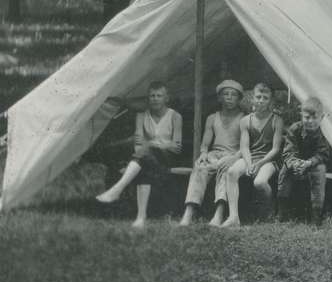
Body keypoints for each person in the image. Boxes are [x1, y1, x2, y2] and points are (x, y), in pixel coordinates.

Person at [96, 81, 183, 227]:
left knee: (146, 153)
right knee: (144, 165)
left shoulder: (175, 116)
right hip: (146, 158)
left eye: (159, 96)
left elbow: (176, 147)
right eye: (152, 96)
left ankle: (118, 189)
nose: (155, 99)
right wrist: (148, 147)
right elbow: (138, 144)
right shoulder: (141, 116)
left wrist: (153, 144)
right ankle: (140, 218)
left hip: (167, 158)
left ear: (166, 98)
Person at [180, 80, 245, 227]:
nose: (229, 97)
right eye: (225, 94)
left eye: (233, 95)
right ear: (219, 98)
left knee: (224, 170)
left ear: (239, 98)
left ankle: (219, 213)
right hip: (214, 154)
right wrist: (203, 154)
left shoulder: (244, 118)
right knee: (200, 167)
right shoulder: (212, 118)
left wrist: (234, 158)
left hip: (233, 155)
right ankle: (189, 212)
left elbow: (245, 146)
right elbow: (205, 144)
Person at [221, 82, 284, 228]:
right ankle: (234, 216)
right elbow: (244, 147)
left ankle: (269, 209)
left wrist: (259, 164)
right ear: (252, 99)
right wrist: (249, 164)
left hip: (269, 160)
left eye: (265, 98)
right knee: (231, 172)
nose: (261, 100)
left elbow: (275, 149)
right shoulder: (246, 121)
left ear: (270, 101)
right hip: (251, 157)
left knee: (260, 182)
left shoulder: (277, 120)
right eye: (258, 97)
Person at [276, 96, 331, 223]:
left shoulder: (323, 133)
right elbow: (288, 151)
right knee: (284, 170)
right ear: (301, 116)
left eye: (314, 118)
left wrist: (309, 163)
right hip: (296, 163)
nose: (310, 121)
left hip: (313, 164)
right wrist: (295, 163)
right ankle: (282, 212)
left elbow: (323, 154)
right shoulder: (295, 129)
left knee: (320, 170)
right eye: (307, 117)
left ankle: (316, 216)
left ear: (321, 118)